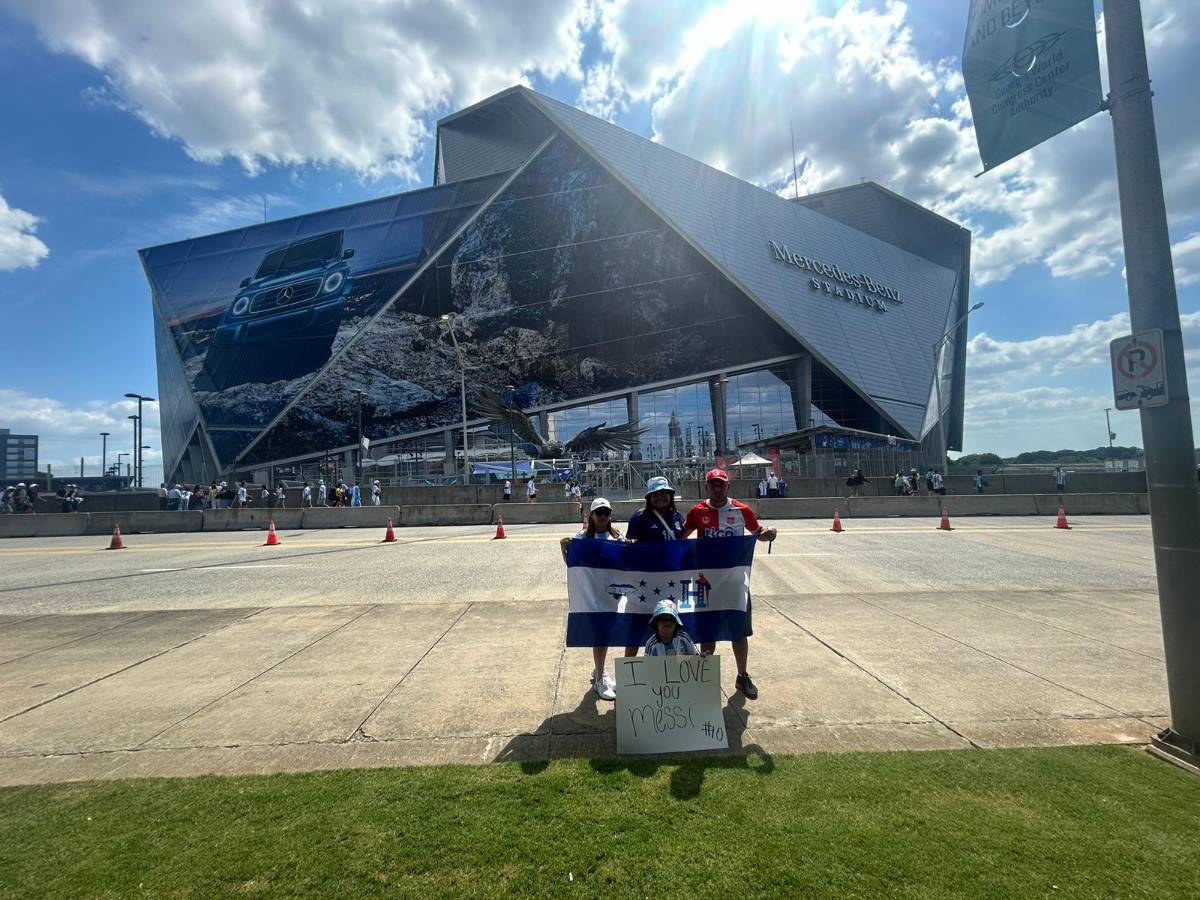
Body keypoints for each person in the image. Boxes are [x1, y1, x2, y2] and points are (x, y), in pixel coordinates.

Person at [682, 468, 776, 700]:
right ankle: (705, 679)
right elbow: (679, 538)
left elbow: (758, 532)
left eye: (721, 484)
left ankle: (742, 676)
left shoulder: (742, 510)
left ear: (728, 486)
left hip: (735, 582)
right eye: (713, 484)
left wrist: (769, 533)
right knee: (707, 632)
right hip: (705, 583)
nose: (717, 488)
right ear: (706, 487)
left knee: (739, 632)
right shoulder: (696, 511)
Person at [560, 497, 624, 701]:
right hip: (592, 595)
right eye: (599, 513)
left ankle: (599, 669)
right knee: (601, 634)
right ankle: (600, 678)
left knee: (605, 633)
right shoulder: (582, 538)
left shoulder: (617, 536)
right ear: (592, 515)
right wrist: (564, 549)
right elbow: (574, 566)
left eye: (607, 513)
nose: (603, 517)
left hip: (611, 595)